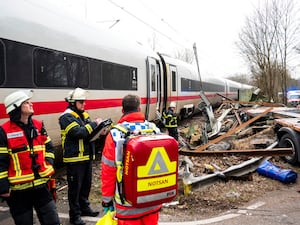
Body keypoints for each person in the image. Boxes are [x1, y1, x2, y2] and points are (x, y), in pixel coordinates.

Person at [0, 90, 61, 225]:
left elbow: (49, 147)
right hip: (18, 192)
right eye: (26, 103)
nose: (31, 104)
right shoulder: (4, 131)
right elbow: (1, 161)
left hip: (41, 187)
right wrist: (3, 186)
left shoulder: (39, 126)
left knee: (53, 222)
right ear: (16, 108)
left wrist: (49, 164)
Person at [101, 94, 161, 225]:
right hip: (152, 200)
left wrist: (107, 200)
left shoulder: (115, 134)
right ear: (139, 108)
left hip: (127, 205)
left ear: (123, 110)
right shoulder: (154, 130)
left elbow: (108, 171)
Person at [59, 87, 101, 225]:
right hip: (74, 159)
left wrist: (101, 129)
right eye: (81, 102)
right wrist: (95, 124)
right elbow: (78, 132)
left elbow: (88, 131)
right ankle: (75, 216)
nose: (84, 104)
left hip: (86, 157)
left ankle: (84, 208)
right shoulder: (66, 117)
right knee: (75, 189)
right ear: (72, 103)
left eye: (84, 102)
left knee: (85, 186)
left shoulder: (84, 115)